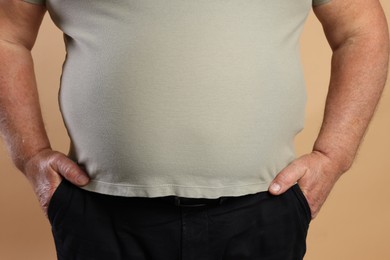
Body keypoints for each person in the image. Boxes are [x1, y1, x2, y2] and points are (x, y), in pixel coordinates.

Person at [0, 0, 388, 259]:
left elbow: (360, 30)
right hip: (100, 214)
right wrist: (30, 155)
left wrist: (333, 155)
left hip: (261, 209)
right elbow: (7, 34)